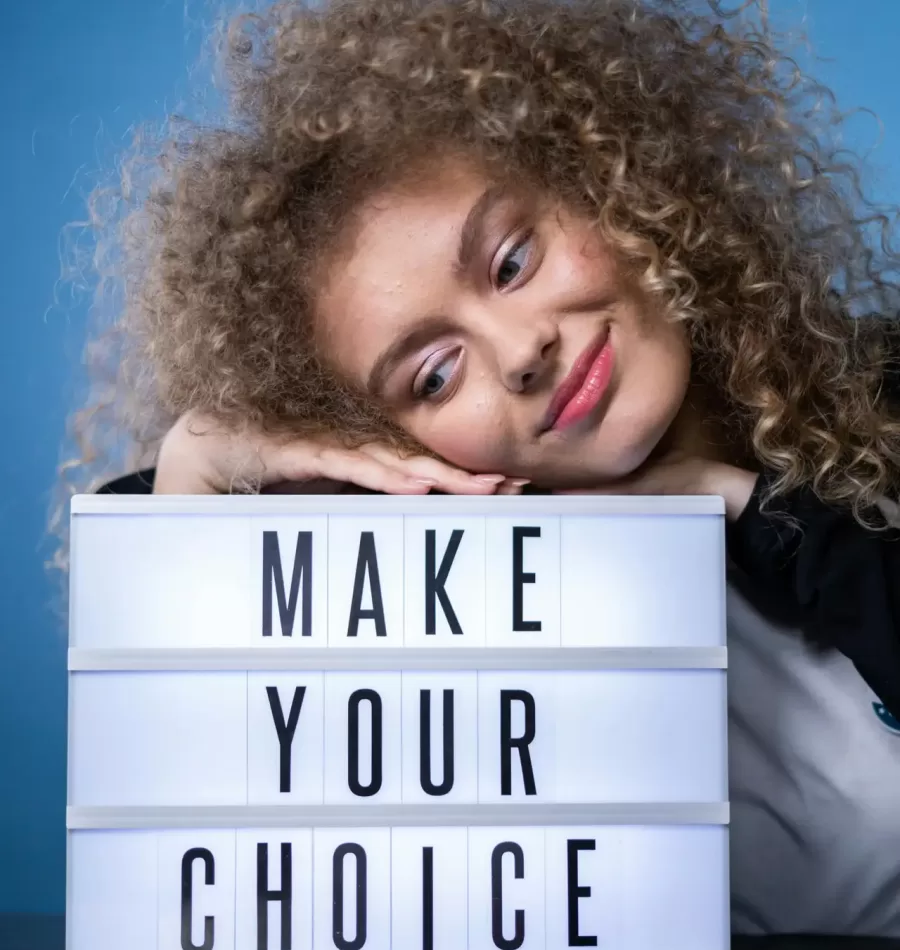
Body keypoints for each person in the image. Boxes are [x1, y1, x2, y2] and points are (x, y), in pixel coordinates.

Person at [63, 0, 900, 937]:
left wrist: (744, 502)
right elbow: (206, 857)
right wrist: (199, 472)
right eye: (433, 373)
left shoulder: (885, 395)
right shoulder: (428, 600)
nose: (520, 351)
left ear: (610, 183)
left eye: (510, 261)